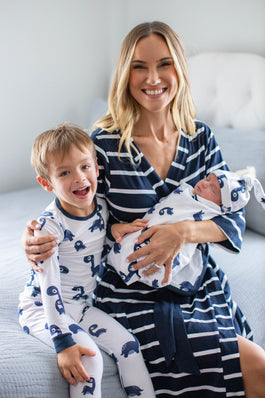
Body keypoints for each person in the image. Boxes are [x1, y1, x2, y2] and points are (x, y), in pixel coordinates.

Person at [21, 22, 265, 397]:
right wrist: (35, 236)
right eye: (139, 66)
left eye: (164, 64)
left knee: (257, 367)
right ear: (125, 74)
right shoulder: (104, 143)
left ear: (179, 69)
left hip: (199, 285)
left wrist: (181, 234)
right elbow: (72, 203)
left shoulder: (201, 139)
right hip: (131, 292)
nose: (152, 78)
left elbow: (234, 216)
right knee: (253, 365)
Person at [18, 124, 155, 398]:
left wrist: (112, 231)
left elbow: (93, 238)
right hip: (41, 308)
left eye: (84, 167)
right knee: (89, 360)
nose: (79, 178)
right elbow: (49, 288)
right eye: (65, 172)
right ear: (47, 183)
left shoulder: (101, 205)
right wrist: (63, 343)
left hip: (80, 306)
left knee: (129, 346)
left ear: (96, 167)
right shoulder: (49, 228)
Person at [109, 169, 265, 290]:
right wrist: (114, 227)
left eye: (213, 189)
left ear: (220, 206)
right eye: (207, 178)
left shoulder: (210, 210)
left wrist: (183, 230)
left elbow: (234, 223)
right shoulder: (187, 192)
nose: (204, 183)